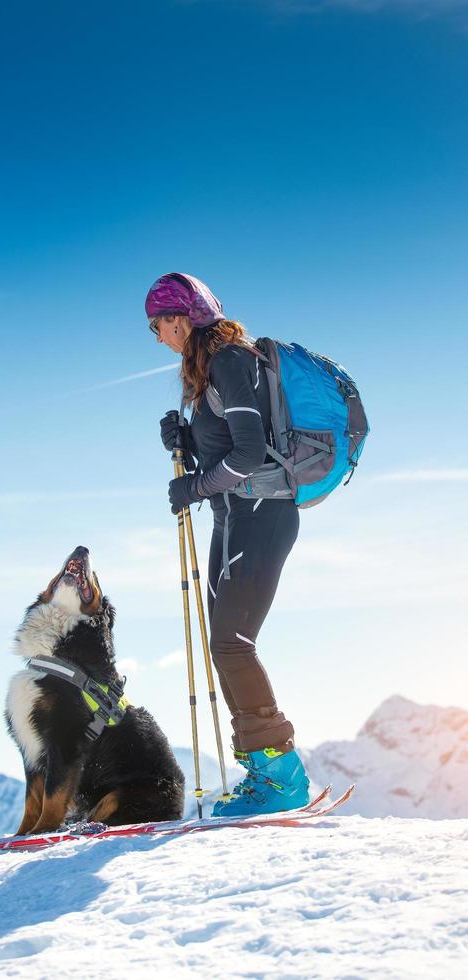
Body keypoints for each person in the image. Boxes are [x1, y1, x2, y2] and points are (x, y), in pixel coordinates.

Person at [145, 271, 310, 816]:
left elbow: (246, 455)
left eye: (157, 324)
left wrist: (192, 486)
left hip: (262, 513)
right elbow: (224, 451)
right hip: (234, 517)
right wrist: (186, 441)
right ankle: (262, 772)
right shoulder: (208, 371)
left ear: (182, 317)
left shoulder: (231, 361)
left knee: (233, 642)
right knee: (225, 643)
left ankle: (282, 778)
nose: (157, 336)